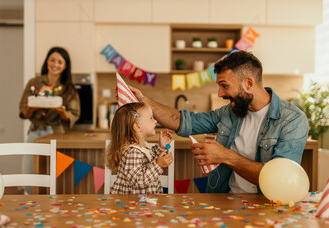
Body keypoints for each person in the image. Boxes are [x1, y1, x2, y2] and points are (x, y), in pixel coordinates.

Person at [128, 50, 309, 193]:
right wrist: (144, 101)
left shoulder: (292, 120)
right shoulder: (230, 112)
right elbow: (184, 122)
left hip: (267, 205)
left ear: (248, 83)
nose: (220, 94)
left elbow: (278, 178)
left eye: (225, 85)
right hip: (225, 199)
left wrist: (225, 156)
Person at [19, 47, 80, 193]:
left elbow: (73, 114)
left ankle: (50, 206)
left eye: (60, 62)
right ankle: (33, 202)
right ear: (47, 61)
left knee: (54, 175)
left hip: (56, 133)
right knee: (27, 175)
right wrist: (30, 109)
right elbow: (23, 111)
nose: (55, 64)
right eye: (52, 60)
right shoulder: (34, 83)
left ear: (65, 66)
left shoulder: (68, 89)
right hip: (35, 131)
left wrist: (63, 113)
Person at [107, 102, 173, 194]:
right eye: (151, 118)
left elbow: (151, 160)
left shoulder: (141, 147)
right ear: (137, 127)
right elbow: (139, 181)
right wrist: (158, 165)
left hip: (143, 203)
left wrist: (162, 147)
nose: (155, 121)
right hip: (131, 205)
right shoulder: (132, 152)